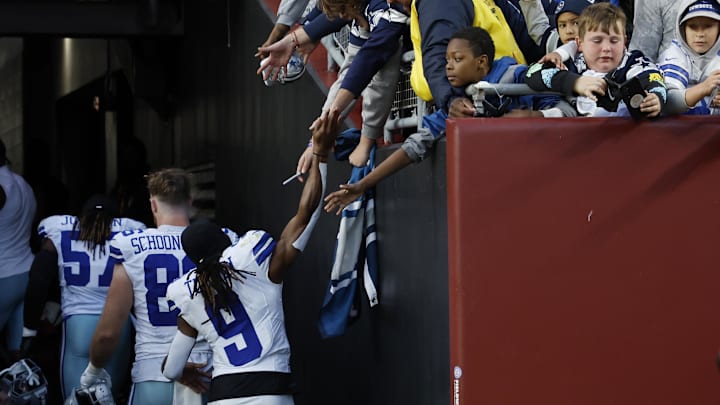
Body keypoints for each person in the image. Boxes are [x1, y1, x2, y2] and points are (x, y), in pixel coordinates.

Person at [160, 114, 336, 404]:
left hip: (223, 395)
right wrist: (321, 155)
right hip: (271, 392)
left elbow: (172, 368)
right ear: (227, 241)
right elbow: (306, 213)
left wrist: (182, 374)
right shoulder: (255, 262)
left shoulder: (189, 293)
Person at [323, 27, 571, 214]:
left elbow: (568, 109)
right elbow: (414, 147)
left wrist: (533, 117)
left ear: (482, 62)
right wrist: (363, 185)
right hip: (505, 195)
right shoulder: (458, 104)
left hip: (553, 180)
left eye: (457, 59)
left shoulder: (517, 75)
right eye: (447, 61)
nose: (449, 67)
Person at [81, 168, 233, 404]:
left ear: (153, 205)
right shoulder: (222, 241)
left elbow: (108, 333)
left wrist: (92, 371)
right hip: (209, 374)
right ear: (190, 202)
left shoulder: (131, 246)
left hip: (154, 375)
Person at [21, 194, 146, 400]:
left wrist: (29, 329)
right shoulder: (131, 230)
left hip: (78, 325)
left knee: (74, 399)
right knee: (109, 398)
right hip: (117, 326)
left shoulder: (59, 229)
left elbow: (39, 280)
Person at [387, 0, 542, 118]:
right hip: (482, 109)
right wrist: (452, 100)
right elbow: (439, 55)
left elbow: (533, 47)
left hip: (509, 103)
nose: (389, 1)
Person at [525, 3, 668, 118]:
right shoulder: (572, 63)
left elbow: (654, 79)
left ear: (624, 41)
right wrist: (575, 82)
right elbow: (532, 73)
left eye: (614, 41)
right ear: (579, 43)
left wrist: (656, 98)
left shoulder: (632, 61)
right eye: (597, 41)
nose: (606, 48)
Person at [0, 138, 37, 365]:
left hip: (3, 275)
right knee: (17, 352)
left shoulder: (1, 187)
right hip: (26, 272)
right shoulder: (23, 185)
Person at [657, 0, 720, 115]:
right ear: (683, 28)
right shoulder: (674, 54)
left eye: (708, 26)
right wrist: (704, 88)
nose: (700, 34)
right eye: (693, 26)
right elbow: (667, 102)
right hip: (677, 131)